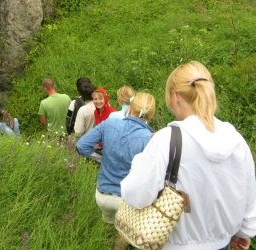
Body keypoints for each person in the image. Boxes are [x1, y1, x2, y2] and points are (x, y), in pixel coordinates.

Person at [121, 61, 256, 250]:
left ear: (175, 97)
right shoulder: (237, 140)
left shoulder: (167, 140)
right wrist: (244, 231)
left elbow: (136, 195)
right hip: (223, 243)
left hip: (177, 244)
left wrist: (139, 160)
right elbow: (248, 191)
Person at [76, 92, 156, 250]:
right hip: (127, 200)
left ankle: (101, 243)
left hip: (102, 194)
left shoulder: (108, 124)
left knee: (107, 224)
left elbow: (81, 146)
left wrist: (101, 159)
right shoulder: (149, 138)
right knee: (124, 234)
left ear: (130, 109)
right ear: (150, 116)